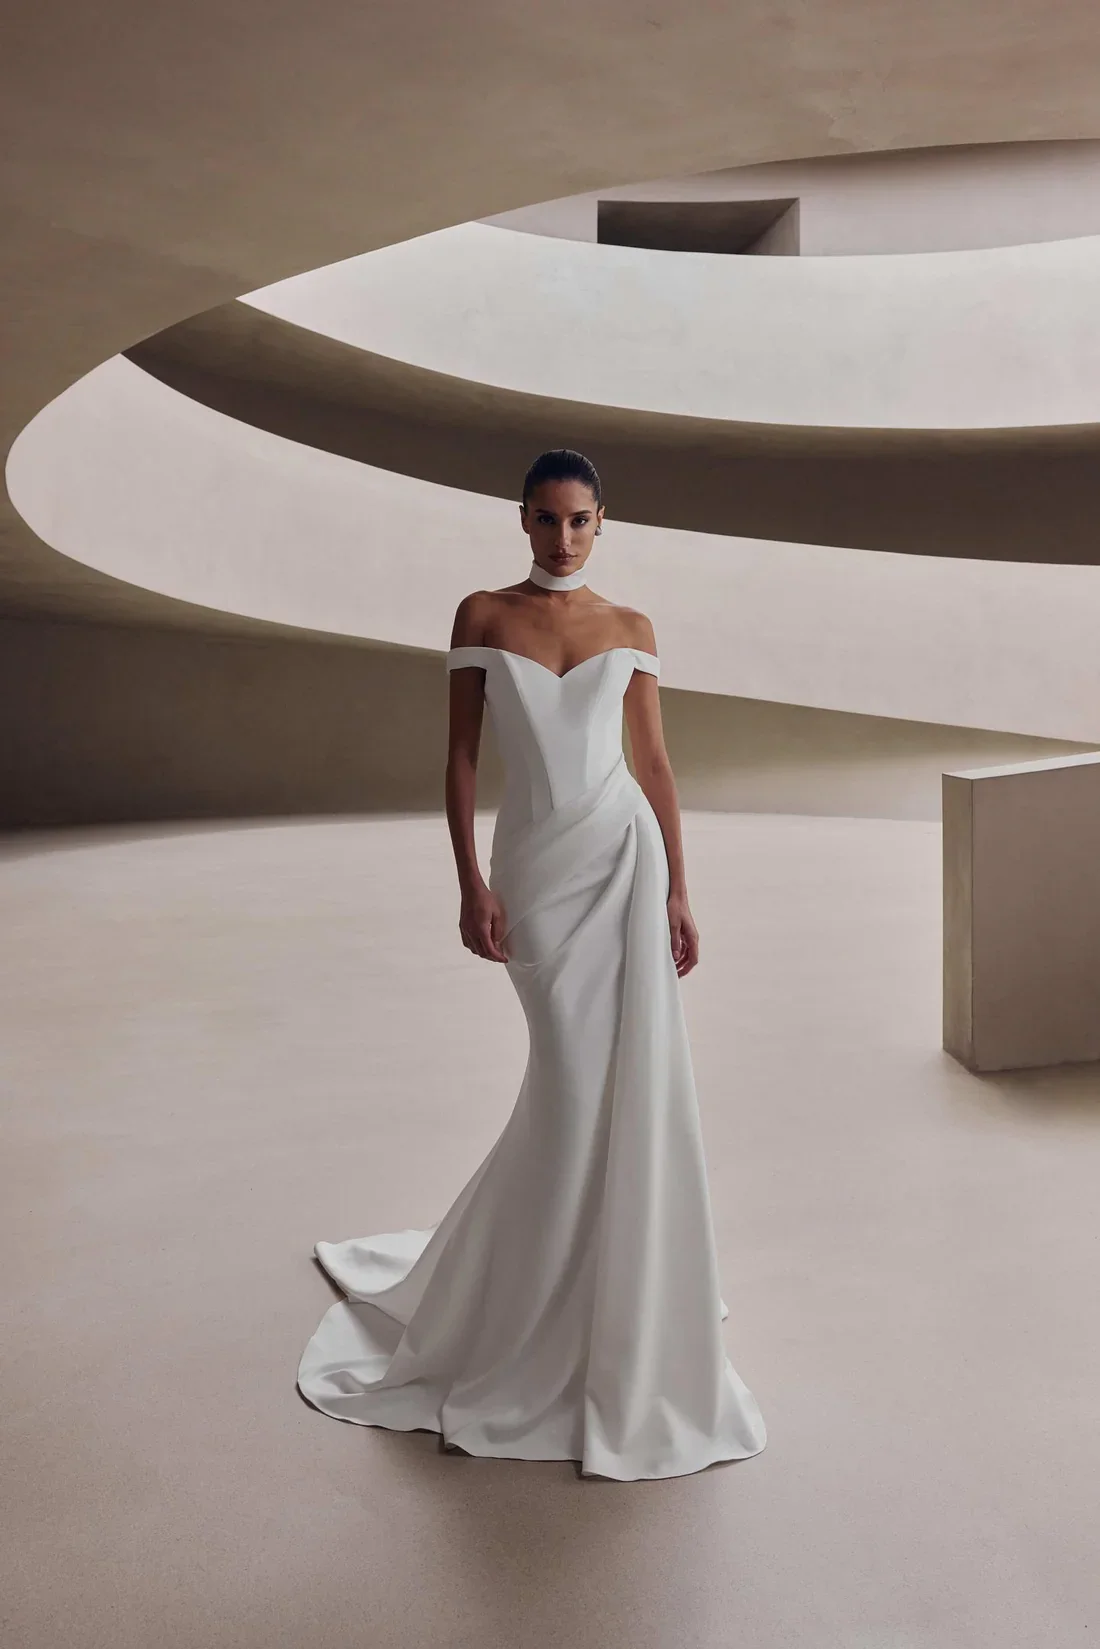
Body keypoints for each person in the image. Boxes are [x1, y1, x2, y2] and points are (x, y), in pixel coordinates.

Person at [297, 449, 766, 1480]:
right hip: (537, 872)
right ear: (521, 519)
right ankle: (518, 1304)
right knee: (565, 1077)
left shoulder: (631, 629)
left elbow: (653, 765)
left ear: (602, 522)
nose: (563, 539)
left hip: (621, 860)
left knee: (622, 1080)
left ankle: (618, 1281)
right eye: (547, 519)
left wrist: (681, 886)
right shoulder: (480, 615)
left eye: (581, 521)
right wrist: (469, 879)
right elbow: (462, 756)